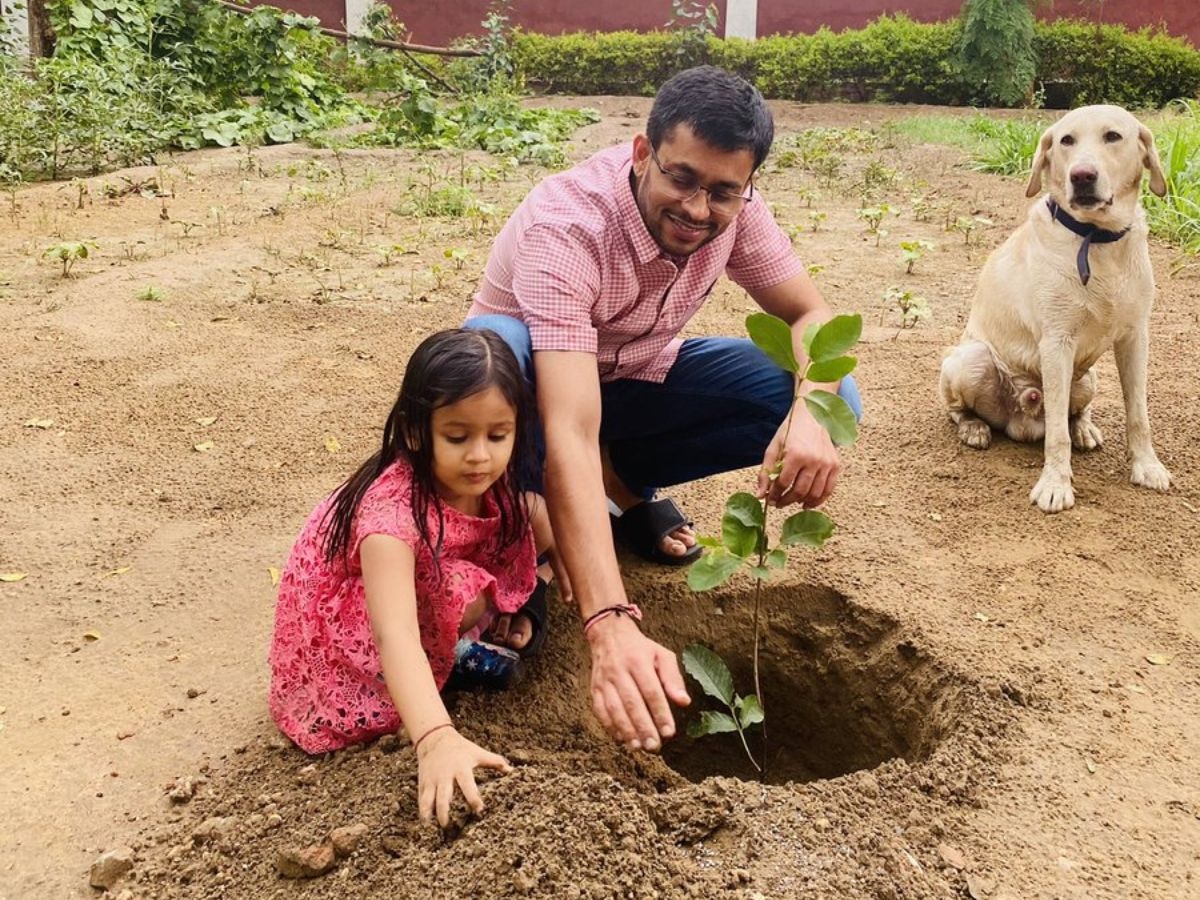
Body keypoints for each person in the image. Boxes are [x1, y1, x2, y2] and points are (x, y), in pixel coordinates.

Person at [465, 66, 861, 755]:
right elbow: (568, 426)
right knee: (496, 353)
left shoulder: (737, 212)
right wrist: (611, 621)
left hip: (632, 377)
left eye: (722, 191)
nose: (698, 209)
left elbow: (809, 314)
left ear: (748, 185)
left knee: (825, 392)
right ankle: (518, 530)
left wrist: (811, 412)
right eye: (681, 179)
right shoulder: (571, 227)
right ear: (643, 153)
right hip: (534, 399)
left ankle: (619, 491)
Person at [268, 328, 566, 828]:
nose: (480, 456)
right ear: (414, 432)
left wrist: (549, 583)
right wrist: (435, 738)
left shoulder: (483, 477)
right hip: (350, 639)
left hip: (425, 572)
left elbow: (540, 524)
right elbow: (395, 632)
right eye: (457, 437)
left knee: (537, 515)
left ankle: (478, 626)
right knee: (459, 595)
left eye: (498, 435)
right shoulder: (390, 517)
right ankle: (454, 655)